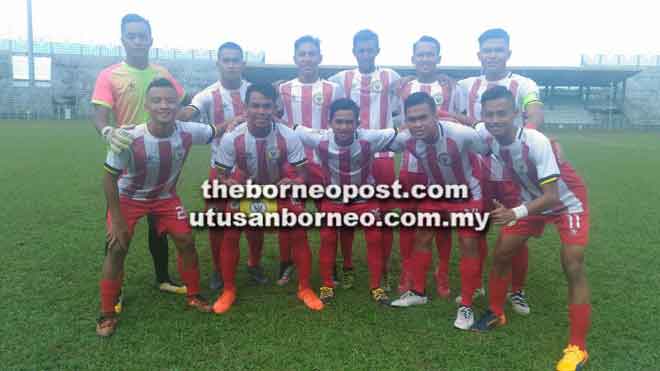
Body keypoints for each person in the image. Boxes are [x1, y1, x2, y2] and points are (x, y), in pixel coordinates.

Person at [470, 86, 590, 371]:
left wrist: (515, 212)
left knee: (572, 264)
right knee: (502, 253)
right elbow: (464, 124)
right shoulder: (486, 133)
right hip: (529, 201)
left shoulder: (536, 142)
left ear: (516, 114)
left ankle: (577, 348)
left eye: (502, 113)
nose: (496, 120)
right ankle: (497, 311)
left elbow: (552, 196)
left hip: (566, 203)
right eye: (490, 114)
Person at [96, 78, 221, 337]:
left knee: (186, 240)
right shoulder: (128, 137)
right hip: (129, 198)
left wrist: (235, 121)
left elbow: (214, 131)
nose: (164, 105)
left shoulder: (188, 131)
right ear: (147, 105)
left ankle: (194, 295)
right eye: (157, 101)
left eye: (170, 100)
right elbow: (108, 178)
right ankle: (107, 313)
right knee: (117, 247)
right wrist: (117, 219)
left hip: (165, 197)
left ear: (178, 104)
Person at [91, 14, 186, 309]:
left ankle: (162, 277)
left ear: (150, 40)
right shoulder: (110, 75)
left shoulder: (162, 73)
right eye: (131, 35)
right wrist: (107, 131)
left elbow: (178, 106)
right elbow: (99, 114)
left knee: (159, 225)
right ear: (123, 40)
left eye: (142, 35)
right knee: (119, 230)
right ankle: (115, 291)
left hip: (160, 163)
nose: (137, 40)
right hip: (127, 161)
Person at [212, 83, 324, 314]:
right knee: (230, 232)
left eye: (266, 106)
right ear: (246, 107)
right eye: (255, 106)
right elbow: (222, 174)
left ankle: (304, 288)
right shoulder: (232, 137)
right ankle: (229, 290)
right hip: (247, 189)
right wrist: (228, 183)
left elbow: (303, 173)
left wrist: (294, 183)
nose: (261, 111)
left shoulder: (288, 136)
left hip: (277, 188)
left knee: (299, 230)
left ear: (275, 108)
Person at [455, 28, 545, 313]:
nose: (493, 55)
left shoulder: (524, 84)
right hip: (475, 174)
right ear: (479, 54)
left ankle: (516, 291)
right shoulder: (464, 86)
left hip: (511, 176)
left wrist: (520, 145)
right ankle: (475, 285)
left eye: (498, 49)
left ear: (508, 53)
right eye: (488, 50)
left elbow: (534, 115)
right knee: (472, 234)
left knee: (516, 235)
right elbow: (460, 121)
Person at [389, 92, 486, 331]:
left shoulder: (460, 135)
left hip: (467, 196)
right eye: (412, 119)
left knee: (467, 244)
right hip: (435, 195)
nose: (418, 124)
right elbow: (375, 140)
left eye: (423, 117)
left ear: (436, 115)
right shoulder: (406, 139)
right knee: (421, 238)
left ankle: (466, 304)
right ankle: (418, 291)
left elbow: (491, 149)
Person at [177, 42, 266, 289]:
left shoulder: (254, 91)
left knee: (255, 220)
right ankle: (218, 268)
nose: (231, 65)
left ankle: (254, 263)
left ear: (243, 63)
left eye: (235, 60)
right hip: (221, 169)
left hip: (253, 170)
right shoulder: (207, 95)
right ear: (218, 64)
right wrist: (175, 112)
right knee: (217, 221)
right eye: (226, 60)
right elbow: (187, 116)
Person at [294, 98, 398, 305]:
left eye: (349, 122)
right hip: (334, 199)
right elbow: (290, 128)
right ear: (330, 122)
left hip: (365, 199)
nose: (344, 127)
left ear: (357, 123)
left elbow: (400, 131)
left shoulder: (370, 138)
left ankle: (376, 286)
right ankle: (326, 284)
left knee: (375, 239)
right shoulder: (319, 138)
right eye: (339, 121)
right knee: (327, 239)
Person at [329, 29, 401, 291]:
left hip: (382, 155)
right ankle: (347, 265)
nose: (366, 54)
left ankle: (383, 269)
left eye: (371, 49)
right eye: (361, 50)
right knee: (347, 210)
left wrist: (443, 78)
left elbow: (411, 88)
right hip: (351, 153)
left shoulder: (391, 76)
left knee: (384, 214)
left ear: (377, 51)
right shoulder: (340, 79)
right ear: (354, 52)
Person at [397, 35, 464, 298]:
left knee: (442, 224)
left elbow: (458, 121)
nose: (425, 59)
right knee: (408, 222)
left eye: (430, 54)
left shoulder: (450, 87)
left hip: (441, 168)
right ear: (413, 59)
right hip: (411, 166)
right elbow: (397, 120)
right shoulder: (402, 87)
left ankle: (442, 271)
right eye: (420, 55)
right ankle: (408, 271)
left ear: (438, 58)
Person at [276, 35, 345, 286]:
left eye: (311, 53)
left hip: (324, 164)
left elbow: (341, 120)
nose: (307, 58)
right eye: (302, 54)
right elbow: (277, 120)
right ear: (295, 58)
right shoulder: (283, 89)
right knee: (290, 218)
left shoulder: (332, 89)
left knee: (329, 218)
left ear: (320, 58)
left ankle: (331, 266)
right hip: (292, 166)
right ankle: (287, 264)